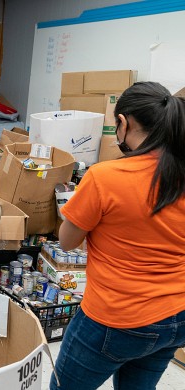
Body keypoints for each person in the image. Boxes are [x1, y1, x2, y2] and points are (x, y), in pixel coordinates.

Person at [50, 82, 185, 390]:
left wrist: (80, 210)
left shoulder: (105, 177)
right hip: (178, 314)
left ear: (124, 123)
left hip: (116, 316)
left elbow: (68, 241)